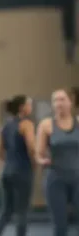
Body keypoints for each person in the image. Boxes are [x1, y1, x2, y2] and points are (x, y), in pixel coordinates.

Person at [36, 88, 79, 236]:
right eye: (55, 100)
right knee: (60, 226)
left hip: (77, 177)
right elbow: (38, 153)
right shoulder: (46, 124)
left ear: (70, 102)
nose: (59, 103)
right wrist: (42, 160)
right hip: (55, 179)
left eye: (62, 99)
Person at [0, 95, 35, 236]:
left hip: (6, 171)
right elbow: (31, 148)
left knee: (6, 209)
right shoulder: (27, 124)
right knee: (22, 210)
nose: (31, 107)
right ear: (22, 107)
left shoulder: (5, 125)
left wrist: (11, 160)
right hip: (22, 170)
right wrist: (34, 163)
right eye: (29, 104)